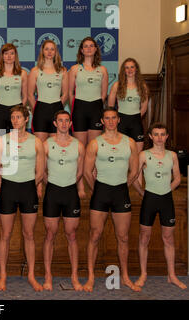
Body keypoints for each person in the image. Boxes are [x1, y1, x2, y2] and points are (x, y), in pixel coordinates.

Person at [83, 107, 140, 292]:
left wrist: (124, 185)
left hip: (121, 192)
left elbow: (134, 170)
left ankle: (124, 276)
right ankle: (91, 277)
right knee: (95, 235)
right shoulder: (95, 143)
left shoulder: (129, 142)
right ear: (102, 120)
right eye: (107, 118)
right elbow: (86, 172)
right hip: (101, 191)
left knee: (123, 237)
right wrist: (97, 188)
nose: (110, 121)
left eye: (113, 118)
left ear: (119, 120)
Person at [0, 105, 44, 291]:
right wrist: (3, 185)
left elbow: (41, 171)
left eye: (19, 117)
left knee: (29, 234)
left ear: (26, 119)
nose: (15, 120)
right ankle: (3, 276)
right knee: (5, 235)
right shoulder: (1, 141)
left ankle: (31, 275)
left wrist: (29, 183)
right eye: (13, 117)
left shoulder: (36, 142)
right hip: (8, 189)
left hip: (28, 190)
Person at [133, 123, 186, 289]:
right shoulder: (143, 155)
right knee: (144, 237)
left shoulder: (172, 155)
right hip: (149, 199)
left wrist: (166, 190)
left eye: (162, 134)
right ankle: (143, 274)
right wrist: (143, 193)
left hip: (166, 199)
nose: (159, 137)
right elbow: (135, 177)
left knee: (168, 238)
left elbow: (177, 178)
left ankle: (171, 275)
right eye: (156, 134)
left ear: (167, 136)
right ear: (150, 136)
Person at [42, 110, 85, 291]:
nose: (64, 124)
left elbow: (80, 172)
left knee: (72, 235)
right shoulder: (46, 144)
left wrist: (71, 185)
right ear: (55, 123)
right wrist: (52, 184)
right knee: (50, 234)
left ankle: (74, 276)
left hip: (70, 193)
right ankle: (48, 276)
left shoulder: (79, 145)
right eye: (60, 121)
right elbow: (42, 171)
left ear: (70, 123)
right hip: (52, 191)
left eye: (67, 120)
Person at [68, 37, 109, 146]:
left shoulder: (103, 70)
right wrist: (76, 105)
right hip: (79, 108)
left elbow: (104, 94)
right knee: (80, 147)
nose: (89, 48)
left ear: (96, 49)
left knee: (93, 147)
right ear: (81, 50)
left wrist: (97, 104)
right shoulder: (74, 69)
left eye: (91, 46)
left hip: (96, 108)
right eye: (85, 46)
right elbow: (70, 93)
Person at [28, 40, 68, 142]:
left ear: (56, 52)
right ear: (42, 51)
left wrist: (58, 106)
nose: (49, 52)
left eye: (52, 49)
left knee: (56, 146)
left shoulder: (62, 70)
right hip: (41, 110)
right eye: (46, 49)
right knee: (40, 146)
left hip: (57, 109)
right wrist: (36, 109)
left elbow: (65, 94)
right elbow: (30, 95)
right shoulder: (35, 71)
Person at [108, 58, 149, 152]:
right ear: (124, 70)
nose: (130, 70)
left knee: (137, 152)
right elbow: (110, 107)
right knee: (121, 151)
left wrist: (136, 117)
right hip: (121, 121)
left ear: (136, 69)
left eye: (132, 67)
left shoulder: (143, 87)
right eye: (127, 68)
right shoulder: (117, 85)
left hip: (136, 121)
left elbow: (144, 107)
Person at [0, 43, 27, 135]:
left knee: (16, 140)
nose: (9, 56)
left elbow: (25, 96)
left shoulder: (22, 73)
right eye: (6, 53)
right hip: (0, 110)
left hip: (17, 110)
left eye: (12, 53)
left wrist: (20, 110)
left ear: (15, 56)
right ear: (2, 56)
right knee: (0, 141)